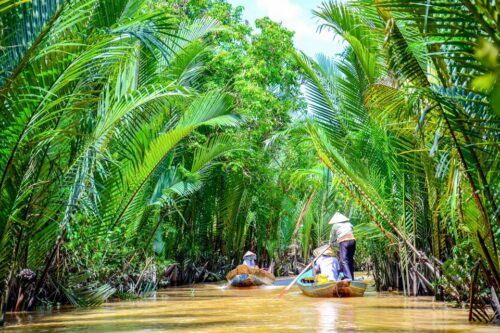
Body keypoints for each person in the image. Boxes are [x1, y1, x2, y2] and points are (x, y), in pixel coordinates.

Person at [329, 212, 356, 280]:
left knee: (343, 260)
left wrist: (331, 243)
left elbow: (332, 236)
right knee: (350, 259)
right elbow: (351, 231)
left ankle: (348, 277)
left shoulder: (335, 225)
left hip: (344, 242)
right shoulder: (349, 224)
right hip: (352, 241)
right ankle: (351, 277)